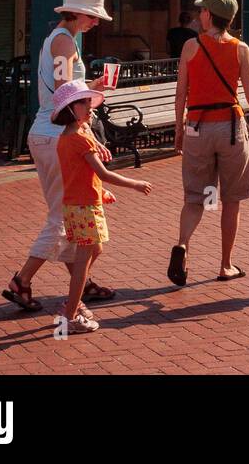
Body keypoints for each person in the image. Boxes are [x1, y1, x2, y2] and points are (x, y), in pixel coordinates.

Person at [2, 0, 114, 314]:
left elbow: (64, 90)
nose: (95, 22)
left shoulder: (60, 39)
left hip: (47, 131)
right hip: (56, 133)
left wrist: (92, 88)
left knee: (67, 214)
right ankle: (23, 280)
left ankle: (82, 282)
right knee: (62, 217)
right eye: (92, 16)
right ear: (77, 12)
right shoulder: (64, 41)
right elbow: (66, 92)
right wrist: (88, 117)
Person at [168, 0, 249, 286]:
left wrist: (179, 130)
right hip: (230, 128)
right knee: (231, 200)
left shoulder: (190, 47)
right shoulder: (240, 48)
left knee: (195, 198)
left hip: (197, 126)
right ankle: (225, 264)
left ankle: (183, 245)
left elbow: (181, 93)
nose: (198, 15)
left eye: (201, 11)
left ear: (208, 15)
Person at [54, 80, 152, 333]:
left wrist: (100, 190)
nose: (90, 108)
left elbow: (81, 174)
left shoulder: (67, 137)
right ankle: (70, 313)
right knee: (85, 258)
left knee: (93, 252)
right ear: (70, 108)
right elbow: (103, 172)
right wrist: (134, 183)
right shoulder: (79, 139)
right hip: (84, 207)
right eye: (84, 103)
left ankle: (73, 300)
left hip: (75, 204)